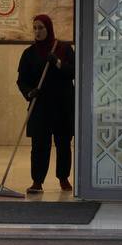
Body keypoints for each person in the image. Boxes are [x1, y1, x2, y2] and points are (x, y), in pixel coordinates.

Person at [16, 14, 76, 193]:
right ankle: (37, 181)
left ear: (48, 28)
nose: (37, 31)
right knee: (39, 146)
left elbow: (73, 72)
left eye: (41, 27)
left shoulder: (64, 49)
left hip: (62, 105)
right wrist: (29, 92)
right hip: (40, 106)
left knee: (63, 143)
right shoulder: (28, 53)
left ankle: (63, 178)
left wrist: (57, 62)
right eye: (35, 28)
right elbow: (21, 80)